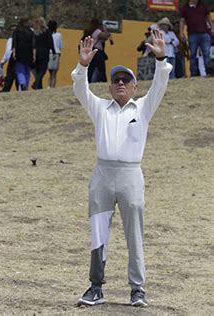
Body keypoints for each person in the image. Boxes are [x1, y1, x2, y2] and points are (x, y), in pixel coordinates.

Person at [72, 30, 171, 307]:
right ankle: (95, 286)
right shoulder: (100, 108)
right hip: (102, 174)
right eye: (116, 80)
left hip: (130, 175)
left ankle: (137, 288)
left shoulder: (143, 108)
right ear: (110, 86)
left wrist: (161, 59)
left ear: (135, 87)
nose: (120, 83)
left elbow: (160, 86)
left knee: (134, 233)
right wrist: (82, 65)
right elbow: (80, 90)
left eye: (126, 80)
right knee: (98, 231)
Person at [179, 0, 214, 77]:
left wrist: (212, 28)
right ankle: (194, 73)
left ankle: (209, 72)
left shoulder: (202, 5)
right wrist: (181, 32)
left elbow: (208, 17)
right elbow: (182, 20)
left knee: (206, 53)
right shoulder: (185, 7)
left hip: (204, 33)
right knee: (193, 54)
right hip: (192, 34)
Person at [83, 18, 112, 83]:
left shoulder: (92, 32)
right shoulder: (97, 31)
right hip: (97, 51)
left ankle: (88, 81)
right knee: (101, 68)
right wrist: (105, 29)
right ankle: (103, 80)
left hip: (92, 51)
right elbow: (105, 36)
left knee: (91, 68)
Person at [12, 18, 36, 91]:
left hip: (19, 52)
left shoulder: (16, 32)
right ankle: (26, 87)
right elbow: (34, 45)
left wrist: (14, 52)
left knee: (19, 70)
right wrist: (34, 55)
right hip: (28, 53)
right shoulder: (31, 32)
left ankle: (22, 83)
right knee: (27, 71)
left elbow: (14, 44)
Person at [32, 17, 55, 89]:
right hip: (44, 53)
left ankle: (39, 86)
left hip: (36, 54)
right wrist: (53, 51)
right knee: (43, 70)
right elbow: (50, 42)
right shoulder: (47, 31)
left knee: (38, 70)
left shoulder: (35, 32)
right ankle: (36, 83)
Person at [0, 24, 18, 92]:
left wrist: (3, 61)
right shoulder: (10, 39)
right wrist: (3, 61)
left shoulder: (16, 39)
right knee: (9, 78)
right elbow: (7, 51)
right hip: (11, 60)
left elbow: (8, 52)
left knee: (16, 78)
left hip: (17, 59)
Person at [47, 20, 63, 88]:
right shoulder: (59, 35)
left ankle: (49, 85)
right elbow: (61, 46)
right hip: (56, 53)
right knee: (54, 73)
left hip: (49, 53)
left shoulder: (47, 35)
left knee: (50, 72)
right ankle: (53, 86)